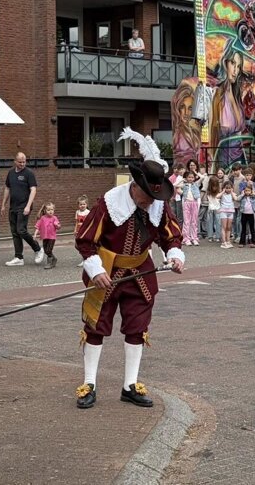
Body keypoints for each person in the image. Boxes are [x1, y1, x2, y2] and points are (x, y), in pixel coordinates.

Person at [74, 149, 185, 410]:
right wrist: (96, 270)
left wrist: (175, 255)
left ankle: (130, 386)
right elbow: (85, 241)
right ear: (135, 187)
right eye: (147, 196)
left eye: (155, 197)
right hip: (107, 273)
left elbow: (171, 236)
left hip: (140, 274)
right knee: (96, 326)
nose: (151, 202)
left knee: (138, 327)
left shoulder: (157, 204)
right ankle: (88, 384)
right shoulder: (108, 203)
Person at [1, 152, 42, 266]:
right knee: (15, 232)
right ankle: (19, 257)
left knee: (21, 230)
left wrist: (28, 206)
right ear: (15, 161)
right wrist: (3, 205)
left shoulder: (29, 173)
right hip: (13, 206)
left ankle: (38, 249)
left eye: (24, 162)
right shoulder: (10, 173)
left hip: (24, 206)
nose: (22, 164)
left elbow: (33, 190)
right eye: (20, 162)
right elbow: (7, 189)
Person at [35, 202, 61, 269]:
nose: (50, 211)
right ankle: (54, 259)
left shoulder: (54, 218)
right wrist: (35, 234)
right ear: (45, 211)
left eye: (52, 209)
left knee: (49, 250)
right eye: (48, 210)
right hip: (45, 237)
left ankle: (49, 263)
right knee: (46, 250)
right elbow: (38, 226)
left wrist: (57, 225)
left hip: (52, 237)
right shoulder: (42, 218)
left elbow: (58, 227)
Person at [181, 169, 201, 246]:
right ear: (186, 178)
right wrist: (182, 180)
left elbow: (202, 177)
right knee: (186, 221)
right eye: (189, 177)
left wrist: (195, 172)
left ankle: (194, 238)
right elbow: (175, 185)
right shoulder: (183, 184)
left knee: (194, 221)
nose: (191, 179)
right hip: (186, 203)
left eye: (192, 177)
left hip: (194, 203)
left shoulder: (196, 184)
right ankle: (186, 238)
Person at [238, 182, 255, 248]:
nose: (247, 192)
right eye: (246, 190)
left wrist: (254, 194)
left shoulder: (253, 197)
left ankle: (254, 242)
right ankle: (242, 242)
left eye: (249, 190)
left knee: (252, 228)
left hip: (251, 214)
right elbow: (237, 199)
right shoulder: (243, 197)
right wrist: (242, 194)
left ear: (251, 191)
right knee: (243, 229)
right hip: (244, 214)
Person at [75, 195, 91, 268]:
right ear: (78, 205)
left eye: (84, 204)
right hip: (78, 230)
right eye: (80, 204)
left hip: (85, 231)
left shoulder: (88, 212)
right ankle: (85, 257)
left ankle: (85, 259)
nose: (82, 205)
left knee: (84, 245)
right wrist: (75, 230)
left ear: (86, 204)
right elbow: (76, 222)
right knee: (77, 245)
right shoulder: (77, 212)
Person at [218, 181, 236, 248]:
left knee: (229, 227)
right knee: (224, 227)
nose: (228, 189)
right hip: (223, 211)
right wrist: (222, 192)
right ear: (224, 188)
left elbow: (235, 198)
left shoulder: (232, 194)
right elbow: (217, 196)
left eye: (229, 188)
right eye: (226, 188)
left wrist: (232, 192)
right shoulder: (222, 194)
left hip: (230, 211)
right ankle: (223, 242)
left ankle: (228, 241)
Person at [205, 177, 222, 242]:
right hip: (210, 209)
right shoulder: (208, 191)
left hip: (217, 208)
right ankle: (210, 236)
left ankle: (218, 236)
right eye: (213, 185)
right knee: (210, 223)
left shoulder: (219, 190)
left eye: (215, 185)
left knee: (218, 222)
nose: (214, 187)